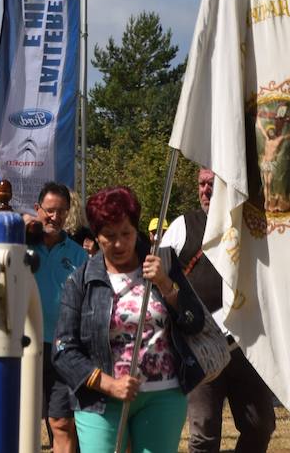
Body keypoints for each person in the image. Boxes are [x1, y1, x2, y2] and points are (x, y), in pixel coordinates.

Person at [55, 186, 205, 453]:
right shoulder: (80, 281)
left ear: (136, 229)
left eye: (126, 233)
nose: (119, 243)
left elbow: (195, 322)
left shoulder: (164, 265)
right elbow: (63, 350)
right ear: (96, 236)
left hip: (164, 395)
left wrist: (166, 285)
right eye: (109, 236)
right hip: (99, 402)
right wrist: (108, 384)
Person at [161, 169, 275, 453]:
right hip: (200, 346)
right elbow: (157, 274)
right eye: (201, 183)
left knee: (261, 425)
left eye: (212, 184)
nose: (205, 190)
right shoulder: (183, 225)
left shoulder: (250, 225)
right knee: (203, 434)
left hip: (247, 345)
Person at [31, 182, 88, 453]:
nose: (55, 217)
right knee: (23, 424)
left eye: (61, 212)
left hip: (63, 349)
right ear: (37, 209)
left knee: (61, 422)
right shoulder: (20, 246)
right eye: (49, 211)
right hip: (25, 347)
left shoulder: (79, 255)